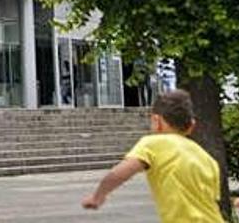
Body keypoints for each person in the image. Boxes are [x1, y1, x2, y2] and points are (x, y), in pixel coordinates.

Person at [81, 89, 224, 223]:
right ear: (191, 125)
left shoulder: (153, 144)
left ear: (157, 121)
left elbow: (119, 173)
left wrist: (98, 196)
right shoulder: (207, 159)